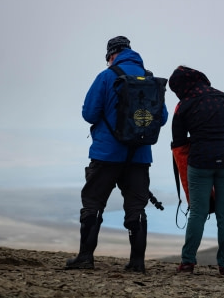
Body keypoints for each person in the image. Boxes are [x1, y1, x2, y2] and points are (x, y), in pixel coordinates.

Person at [65, 36, 168, 273]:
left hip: (106, 154)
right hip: (139, 156)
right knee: (136, 207)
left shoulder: (106, 77)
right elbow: (161, 118)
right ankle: (137, 262)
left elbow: (89, 114)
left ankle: (85, 256)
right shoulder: (150, 80)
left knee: (93, 202)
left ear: (112, 55)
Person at [169, 66, 224, 275]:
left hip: (200, 162)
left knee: (198, 213)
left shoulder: (183, 106)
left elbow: (179, 142)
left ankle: (187, 262)